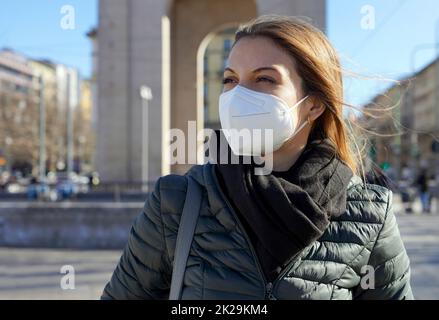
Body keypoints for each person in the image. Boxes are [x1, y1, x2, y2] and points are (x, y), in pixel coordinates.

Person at [101, 15, 413, 300]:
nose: (238, 96)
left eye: (264, 79)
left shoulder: (369, 214)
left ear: (314, 104)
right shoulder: (176, 201)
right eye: (230, 79)